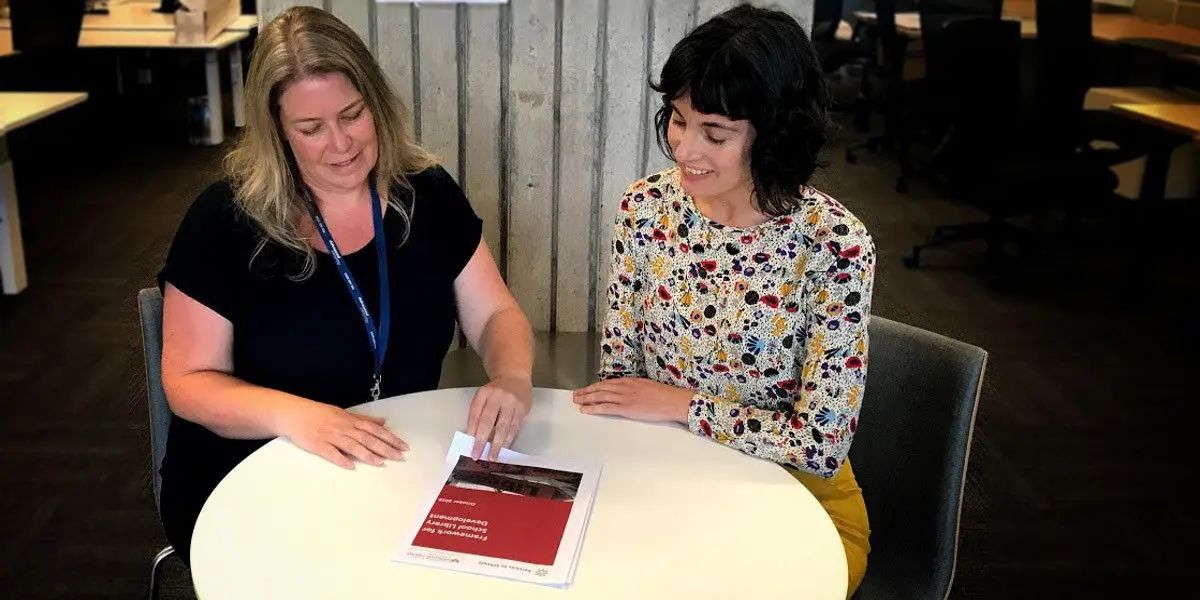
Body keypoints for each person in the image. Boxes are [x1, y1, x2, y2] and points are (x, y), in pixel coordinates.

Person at [157, 6, 534, 565]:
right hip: (255, 472)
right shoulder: (226, 220)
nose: (340, 144)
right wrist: (296, 414)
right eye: (310, 129)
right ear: (278, 134)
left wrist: (511, 376)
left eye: (352, 115)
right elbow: (186, 382)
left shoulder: (425, 195)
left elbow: (495, 314)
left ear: (377, 105)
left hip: (390, 465)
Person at [573, 5, 874, 596]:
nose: (684, 150)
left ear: (775, 134)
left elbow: (820, 445)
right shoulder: (646, 208)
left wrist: (682, 404)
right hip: (668, 476)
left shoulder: (835, 245)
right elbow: (621, 376)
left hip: (794, 499)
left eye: (715, 133)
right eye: (679, 121)